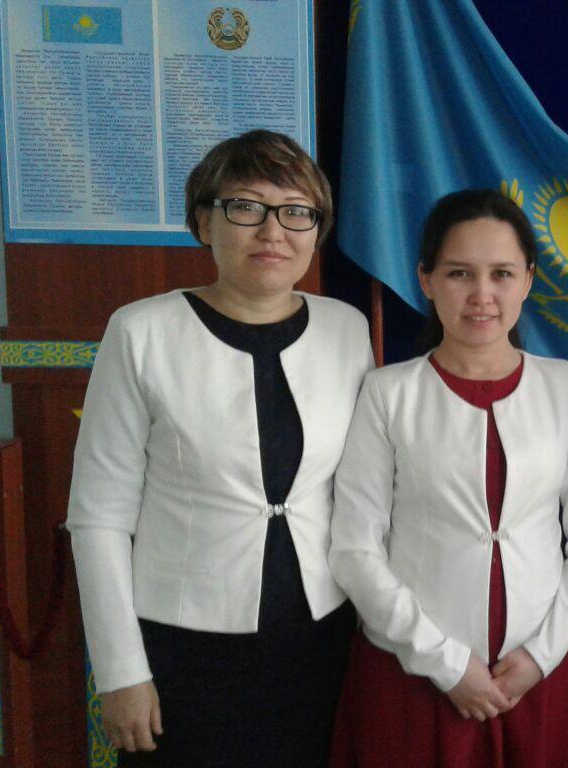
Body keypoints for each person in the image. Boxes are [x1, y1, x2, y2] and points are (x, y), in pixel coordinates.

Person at [67, 130, 375, 766]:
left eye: (296, 212)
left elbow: (361, 489)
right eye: (245, 206)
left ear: (317, 230)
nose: (272, 231)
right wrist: (120, 671)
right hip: (184, 648)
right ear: (203, 221)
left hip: (320, 639)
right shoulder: (141, 332)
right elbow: (98, 517)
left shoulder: (346, 329)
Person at [327, 189, 568, 767]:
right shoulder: (388, 394)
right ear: (426, 280)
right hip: (414, 679)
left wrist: (542, 655)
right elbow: (354, 549)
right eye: (459, 273)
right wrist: (446, 664)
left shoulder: (564, 388)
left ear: (528, 281)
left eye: (502, 274)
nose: (482, 295)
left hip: (536, 677)